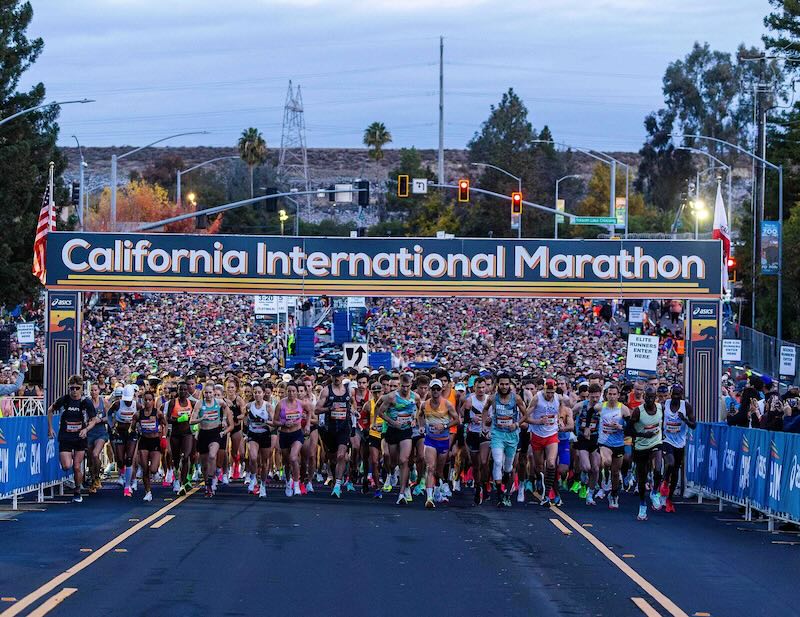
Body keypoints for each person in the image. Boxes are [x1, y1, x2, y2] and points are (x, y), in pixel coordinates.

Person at [47, 375, 99, 503]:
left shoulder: (85, 402)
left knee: (76, 467)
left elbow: (93, 420)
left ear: (81, 389)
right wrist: (50, 428)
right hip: (65, 436)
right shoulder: (64, 400)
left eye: (77, 388)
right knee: (66, 466)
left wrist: (86, 429)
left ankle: (77, 490)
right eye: (72, 388)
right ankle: (68, 462)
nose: (74, 391)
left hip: (79, 437)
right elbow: (50, 410)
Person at [482, 373, 527, 507]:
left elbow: (525, 415)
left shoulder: (516, 398)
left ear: (510, 385)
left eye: (506, 384)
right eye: (501, 384)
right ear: (497, 385)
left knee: (508, 467)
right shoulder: (492, 398)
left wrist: (517, 424)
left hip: (512, 436)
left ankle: (504, 484)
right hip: (497, 434)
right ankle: (500, 495)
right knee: (497, 461)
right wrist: (485, 425)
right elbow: (485, 410)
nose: (504, 386)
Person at [376, 373, 420, 504]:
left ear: (411, 385)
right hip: (392, 430)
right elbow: (380, 412)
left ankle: (403, 491)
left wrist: (415, 419)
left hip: (406, 431)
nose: (405, 389)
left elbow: (419, 410)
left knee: (404, 460)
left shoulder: (415, 397)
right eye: (403, 386)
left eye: (408, 386)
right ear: (399, 385)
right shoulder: (391, 397)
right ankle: (394, 474)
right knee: (393, 461)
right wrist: (392, 422)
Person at [419, 378, 459, 508]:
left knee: (439, 471)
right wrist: (421, 426)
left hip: (443, 441)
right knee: (430, 467)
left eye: (437, 389)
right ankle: (429, 498)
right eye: (433, 389)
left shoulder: (447, 404)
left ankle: (437, 491)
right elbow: (419, 415)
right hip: (430, 440)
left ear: (441, 389)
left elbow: (457, 420)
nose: (435, 391)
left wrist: (445, 426)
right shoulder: (425, 404)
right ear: (430, 390)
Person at [190, 381, 234, 498]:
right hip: (203, 433)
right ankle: (207, 484)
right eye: (206, 393)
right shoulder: (199, 404)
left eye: (210, 393)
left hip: (215, 433)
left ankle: (210, 481)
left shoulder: (219, 402)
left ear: (214, 393)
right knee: (204, 465)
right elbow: (191, 421)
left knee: (212, 456)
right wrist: (201, 418)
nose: (208, 395)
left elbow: (225, 407)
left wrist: (224, 419)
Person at [316, 368, 355, 498]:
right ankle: (334, 478)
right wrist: (329, 408)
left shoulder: (348, 390)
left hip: (344, 427)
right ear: (331, 377)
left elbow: (351, 405)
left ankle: (338, 484)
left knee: (341, 456)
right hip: (330, 428)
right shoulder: (326, 390)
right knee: (332, 459)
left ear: (343, 376)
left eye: (338, 376)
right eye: (334, 376)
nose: (336, 378)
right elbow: (317, 410)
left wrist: (354, 412)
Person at [594, 384, 631, 510]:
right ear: (606, 395)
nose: (612, 396)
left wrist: (621, 427)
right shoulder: (600, 407)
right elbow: (587, 415)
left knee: (616, 472)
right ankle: (605, 480)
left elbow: (631, 427)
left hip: (618, 443)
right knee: (606, 461)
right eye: (610, 394)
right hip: (604, 442)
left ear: (618, 395)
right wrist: (588, 427)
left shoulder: (623, 409)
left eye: (614, 394)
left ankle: (614, 494)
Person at [528, 379, 564, 507]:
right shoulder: (536, 398)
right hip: (537, 435)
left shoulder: (558, 398)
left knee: (551, 464)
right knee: (539, 467)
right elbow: (526, 416)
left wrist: (559, 420)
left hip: (551, 434)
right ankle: (543, 485)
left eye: (552, 392)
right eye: (547, 392)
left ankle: (548, 494)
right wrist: (538, 421)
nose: (549, 395)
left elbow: (560, 411)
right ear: (543, 389)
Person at [661, 384, 696, 512]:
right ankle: (664, 481)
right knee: (670, 463)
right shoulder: (665, 405)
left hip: (680, 442)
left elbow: (694, 425)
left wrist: (685, 419)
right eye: (674, 394)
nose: (676, 397)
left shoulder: (686, 406)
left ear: (681, 395)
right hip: (667, 439)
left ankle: (669, 499)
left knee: (676, 471)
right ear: (671, 394)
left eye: (678, 394)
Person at [630, 386, 663, 521]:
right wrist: (642, 434)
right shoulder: (638, 411)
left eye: (652, 397)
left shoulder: (660, 408)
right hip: (641, 445)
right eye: (647, 397)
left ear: (655, 397)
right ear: (644, 397)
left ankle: (655, 492)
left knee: (658, 468)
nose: (650, 399)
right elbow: (629, 430)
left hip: (656, 442)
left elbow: (662, 423)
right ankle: (642, 504)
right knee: (642, 479)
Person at [277, 381, 313, 497]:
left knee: (293, 458)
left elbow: (309, 411)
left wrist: (307, 424)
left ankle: (296, 484)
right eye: (289, 391)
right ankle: (288, 483)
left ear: (297, 392)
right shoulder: (281, 404)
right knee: (287, 463)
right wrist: (283, 423)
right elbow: (274, 421)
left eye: (293, 391)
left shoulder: (301, 403)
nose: (291, 393)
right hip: (284, 434)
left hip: (297, 434)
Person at [130, 391, 167, 502]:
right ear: (142, 401)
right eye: (145, 400)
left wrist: (163, 435)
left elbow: (164, 423)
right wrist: (135, 429)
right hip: (144, 441)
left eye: (150, 400)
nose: (147, 402)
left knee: (153, 469)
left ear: (153, 401)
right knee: (146, 469)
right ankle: (148, 492)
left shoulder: (157, 413)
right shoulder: (138, 414)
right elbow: (132, 427)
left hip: (155, 441)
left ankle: (156, 472)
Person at [108, 384, 141, 497]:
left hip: (131, 433)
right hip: (120, 432)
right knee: (120, 459)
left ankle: (127, 486)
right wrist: (112, 426)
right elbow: (108, 414)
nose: (127, 402)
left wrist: (139, 427)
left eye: (129, 400)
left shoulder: (137, 405)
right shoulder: (117, 404)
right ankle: (122, 474)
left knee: (129, 458)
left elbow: (144, 415)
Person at [462, 376, 491, 506]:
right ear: (474, 388)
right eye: (478, 387)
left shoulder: (490, 400)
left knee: (484, 462)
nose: (480, 390)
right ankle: (478, 485)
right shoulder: (469, 400)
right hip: (473, 434)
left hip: (485, 434)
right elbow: (464, 419)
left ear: (486, 387)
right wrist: (472, 419)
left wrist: (488, 421)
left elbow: (495, 416)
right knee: (475, 465)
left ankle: (485, 485)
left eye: (483, 387)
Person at [574, 384, 602, 505]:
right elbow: (569, 414)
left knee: (595, 469)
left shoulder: (602, 407)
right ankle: (583, 475)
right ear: (588, 395)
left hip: (596, 438)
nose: (595, 399)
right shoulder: (581, 406)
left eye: (597, 397)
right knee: (587, 467)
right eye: (592, 397)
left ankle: (590, 495)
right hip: (582, 438)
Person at [244, 382, 274, 498]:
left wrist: (264, 421)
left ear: (263, 394)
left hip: (265, 434)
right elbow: (244, 419)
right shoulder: (248, 406)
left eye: (259, 392)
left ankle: (262, 486)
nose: (257, 394)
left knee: (264, 462)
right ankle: (253, 478)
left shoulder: (268, 406)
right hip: (253, 434)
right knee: (253, 457)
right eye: (255, 392)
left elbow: (274, 423)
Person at [166, 381, 194, 496]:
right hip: (175, 434)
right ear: (177, 391)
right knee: (176, 458)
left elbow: (195, 415)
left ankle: (183, 483)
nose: (182, 392)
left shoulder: (191, 402)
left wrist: (194, 423)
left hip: (187, 433)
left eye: (184, 389)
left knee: (186, 457)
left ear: (187, 391)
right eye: (180, 390)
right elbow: (167, 418)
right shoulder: (173, 402)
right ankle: (177, 478)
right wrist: (178, 419)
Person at [363, 381, 386, 498]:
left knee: (387, 458)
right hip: (373, 434)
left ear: (383, 391)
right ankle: (377, 488)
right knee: (374, 461)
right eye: (374, 392)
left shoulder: (388, 403)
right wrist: (368, 428)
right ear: (371, 392)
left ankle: (387, 475)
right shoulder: (368, 405)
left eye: (379, 392)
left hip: (386, 434)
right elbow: (364, 420)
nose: (377, 395)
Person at [86, 382, 110, 495]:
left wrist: (100, 420)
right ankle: (93, 480)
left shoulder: (104, 402)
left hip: (100, 432)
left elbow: (109, 417)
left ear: (99, 391)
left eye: (95, 390)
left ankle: (97, 476)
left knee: (96, 454)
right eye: (92, 390)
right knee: (91, 458)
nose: (93, 392)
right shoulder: (87, 402)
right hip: (89, 432)